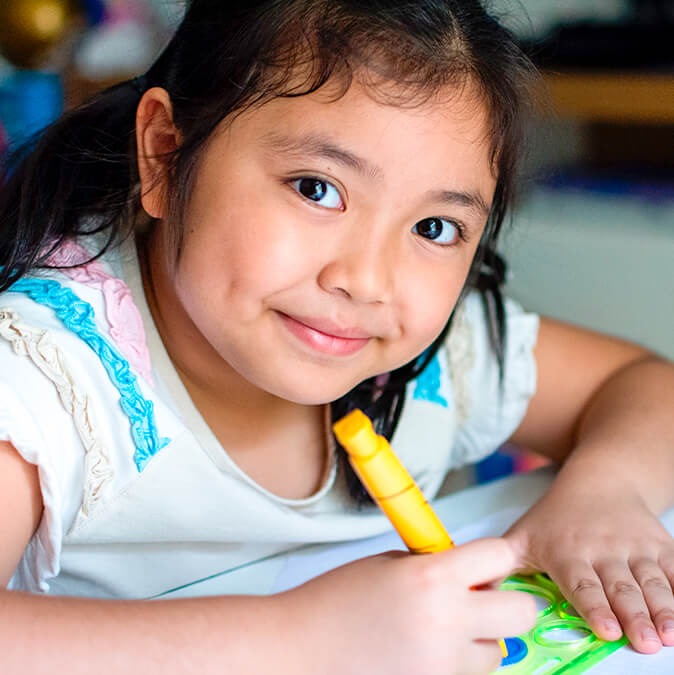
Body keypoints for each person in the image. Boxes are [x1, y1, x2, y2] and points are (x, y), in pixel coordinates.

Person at [0, 0, 673, 672]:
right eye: (317, 188)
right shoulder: (49, 373)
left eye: (434, 228)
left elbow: (643, 387)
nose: (367, 279)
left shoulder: (433, 354)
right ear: (165, 156)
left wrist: (607, 487)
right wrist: (296, 638)